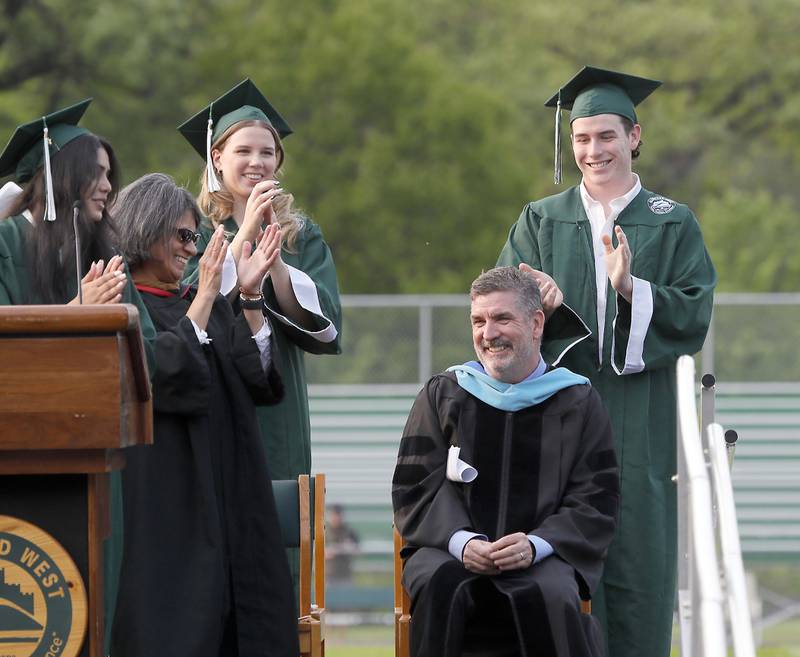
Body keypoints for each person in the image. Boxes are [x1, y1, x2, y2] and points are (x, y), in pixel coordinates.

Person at [496, 66, 717, 657]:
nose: (593, 150)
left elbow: (693, 314)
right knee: (560, 565)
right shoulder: (540, 219)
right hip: (556, 417)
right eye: (582, 138)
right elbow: (497, 314)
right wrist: (538, 305)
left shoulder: (671, 221)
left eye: (606, 136)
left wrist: (630, 290)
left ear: (634, 136)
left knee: (640, 562)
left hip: (641, 416)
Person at [110, 173, 298, 657]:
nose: (191, 249)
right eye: (182, 235)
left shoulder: (206, 305)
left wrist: (250, 299)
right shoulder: (123, 307)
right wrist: (206, 296)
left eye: (194, 236)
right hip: (171, 500)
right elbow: (161, 375)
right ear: (145, 228)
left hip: (233, 492)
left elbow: (261, 382)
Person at [392, 266, 619, 657]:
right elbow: (415, 486)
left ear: (536, 324)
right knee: (442, 583)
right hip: (449, 551)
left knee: (551, 592)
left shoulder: (577, 401)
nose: (488, 333)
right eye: (478, 321)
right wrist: (463, 542)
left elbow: (595, 498)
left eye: (502, 319)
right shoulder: (444, 394)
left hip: (543, 554)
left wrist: (537, 544)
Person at [0, 99, 156, 648]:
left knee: (94, 609)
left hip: (95, 458)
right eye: (98, 173)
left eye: (111, 175)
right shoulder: (4, 245)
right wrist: (76, 313)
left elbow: (146, 351)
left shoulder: (104, 253)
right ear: (61, 173)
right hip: (15, 459)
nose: (109, 187)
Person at [178, 79, 342, 484]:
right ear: (217, 158)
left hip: (277, 403)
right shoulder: (192, 230)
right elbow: (187, 306)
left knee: (280, 499)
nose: (257, 162)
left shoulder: (300, 234)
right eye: (243, 151)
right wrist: (247, 231)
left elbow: (326, 323)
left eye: (267, 152)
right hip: (214, 390)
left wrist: (277, 265)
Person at [325, 504, 360, 583]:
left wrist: (349, 548)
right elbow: (317, 551)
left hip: (345, 574)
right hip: (329, 575)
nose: (336, 518)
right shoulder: (324, 532)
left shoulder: (349, 531)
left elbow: (357, 549)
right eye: (333, 515)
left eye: (338, 515)